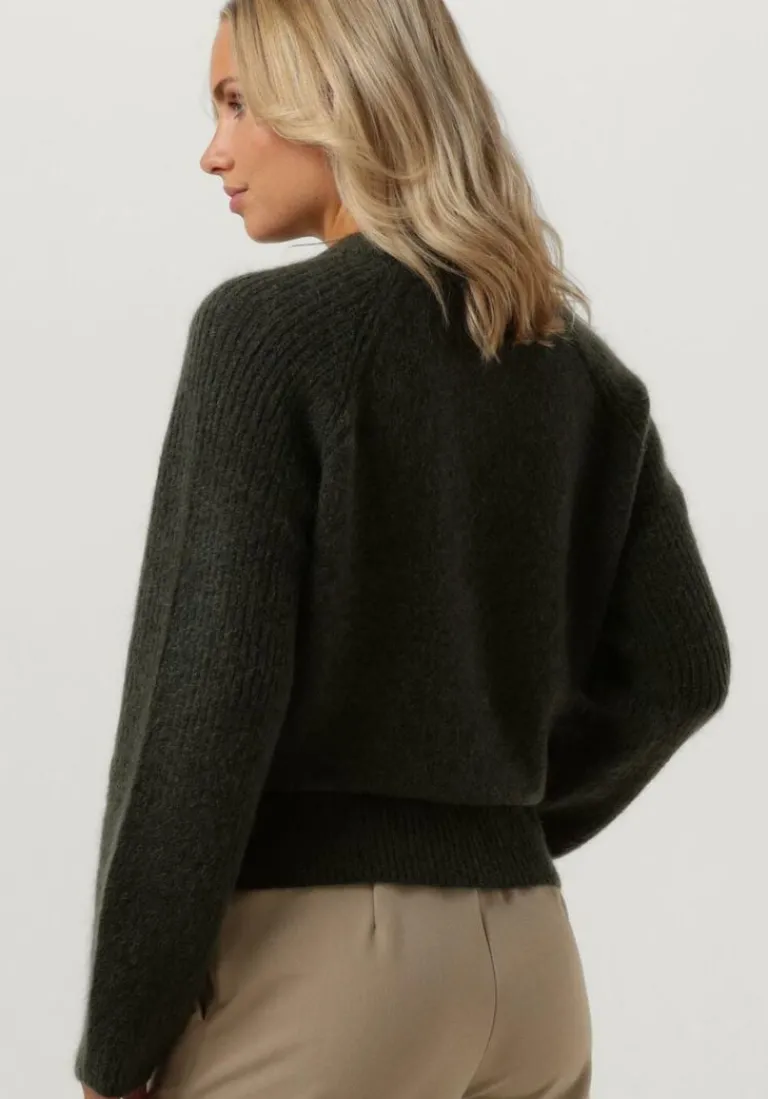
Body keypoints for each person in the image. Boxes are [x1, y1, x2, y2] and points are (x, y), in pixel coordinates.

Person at [73, 2, 731, 1098]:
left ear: (337, 97)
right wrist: (482, 827)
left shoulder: (266, 340)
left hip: (329, 982)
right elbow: (683, 668)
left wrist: (118, 1043)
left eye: (237, 103)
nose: (213, 151)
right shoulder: (579, 370)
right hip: (533, 970)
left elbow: (205, 712)